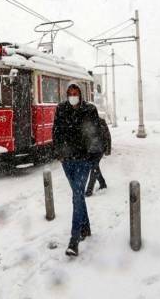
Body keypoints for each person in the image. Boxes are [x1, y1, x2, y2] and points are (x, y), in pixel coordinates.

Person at [53, 83, 103, 257]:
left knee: (76, 195)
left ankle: (74, 240)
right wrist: (59, 153)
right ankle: (86, 227)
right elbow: (56, 132)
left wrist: (92, 156)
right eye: (70, 93)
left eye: (75, 93)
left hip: (83, 160)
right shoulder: (61, 109)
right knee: (79, 194)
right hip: (67, 161)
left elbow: (95, 133)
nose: (73, 96)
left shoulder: (89, 110)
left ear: (80, 94)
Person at [85, 116, 111, 197]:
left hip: (99, 149)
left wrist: (108, 149)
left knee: (94, 167)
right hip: (90, 150)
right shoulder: (86, 122)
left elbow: (107, 136)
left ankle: (89, 190)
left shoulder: (101, 121)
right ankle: (102, 183)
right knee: (95, 167)